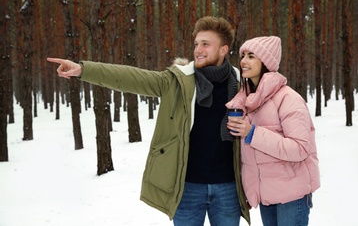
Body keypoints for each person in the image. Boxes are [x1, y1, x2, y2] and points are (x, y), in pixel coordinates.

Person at [47, 16, 250, 226]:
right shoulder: (177, 81)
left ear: (223, 50)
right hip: (187, 188)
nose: (198, 50)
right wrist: (84, 69)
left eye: (206, 44)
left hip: (228, 188)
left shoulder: (240, 84)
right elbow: (131, 77)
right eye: (196, 44)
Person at [226, 36, 320, 226]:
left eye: (251, 56)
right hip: (266, 196)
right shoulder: (246, 101)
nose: (243, 61)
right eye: (243, 55)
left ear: (266, 62)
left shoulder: (288, 99)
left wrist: (252, 133)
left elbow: (300, 148)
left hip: (291, 197)